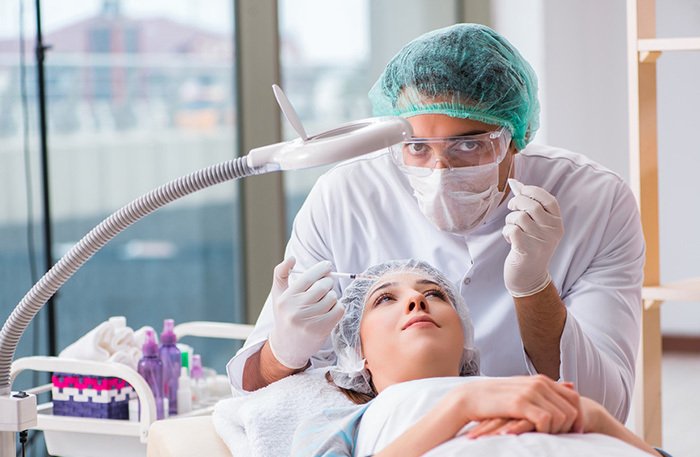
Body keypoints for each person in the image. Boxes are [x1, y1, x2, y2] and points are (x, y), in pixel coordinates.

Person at [227, 23, 645, 422]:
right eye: (417, 147)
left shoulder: (596, 201)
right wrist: (284, 351)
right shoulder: (345, 197)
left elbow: (605, 406)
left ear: (515, 138)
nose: (439, 172)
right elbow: (256, 397)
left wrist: (534, 287)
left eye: (469, 145)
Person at [290, 260, 665, 457]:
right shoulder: (342, 423)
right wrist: (460, 408)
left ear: (464, 338)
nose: (416, 300)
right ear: (357, 353)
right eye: (385, 299)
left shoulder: (522, 391)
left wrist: (595, 417)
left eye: (435, 294)